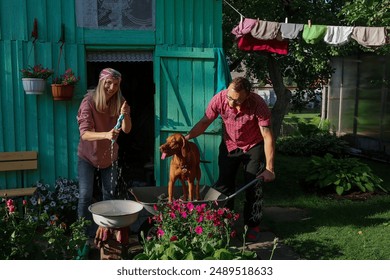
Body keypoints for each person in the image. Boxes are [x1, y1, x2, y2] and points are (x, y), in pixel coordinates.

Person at [185, 77, 275, 242]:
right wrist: (187, 137)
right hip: (229, 145)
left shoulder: (258, 104)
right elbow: (205, 122)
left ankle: (253, 225)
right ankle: (224, 222)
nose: (231, 103)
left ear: (247, 96)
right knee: (224, 186)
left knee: (253, 185)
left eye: (237, 100)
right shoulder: (220, 98)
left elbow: (267, 136)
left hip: (253, 145)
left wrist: (269, 168)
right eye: (230, 98)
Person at [77, 68, 132, 236]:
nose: (112, 87)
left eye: (116, 84)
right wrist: (107, 135)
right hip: (87, 156)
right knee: (85, 195)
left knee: (109, 194)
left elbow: (127, 129)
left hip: (109, 156)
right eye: (108, 83)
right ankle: (82, 232)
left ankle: (106, 231)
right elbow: (85, 134)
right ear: (101, 82)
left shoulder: (120, 101)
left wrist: (126, 115)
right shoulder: (88, 102)